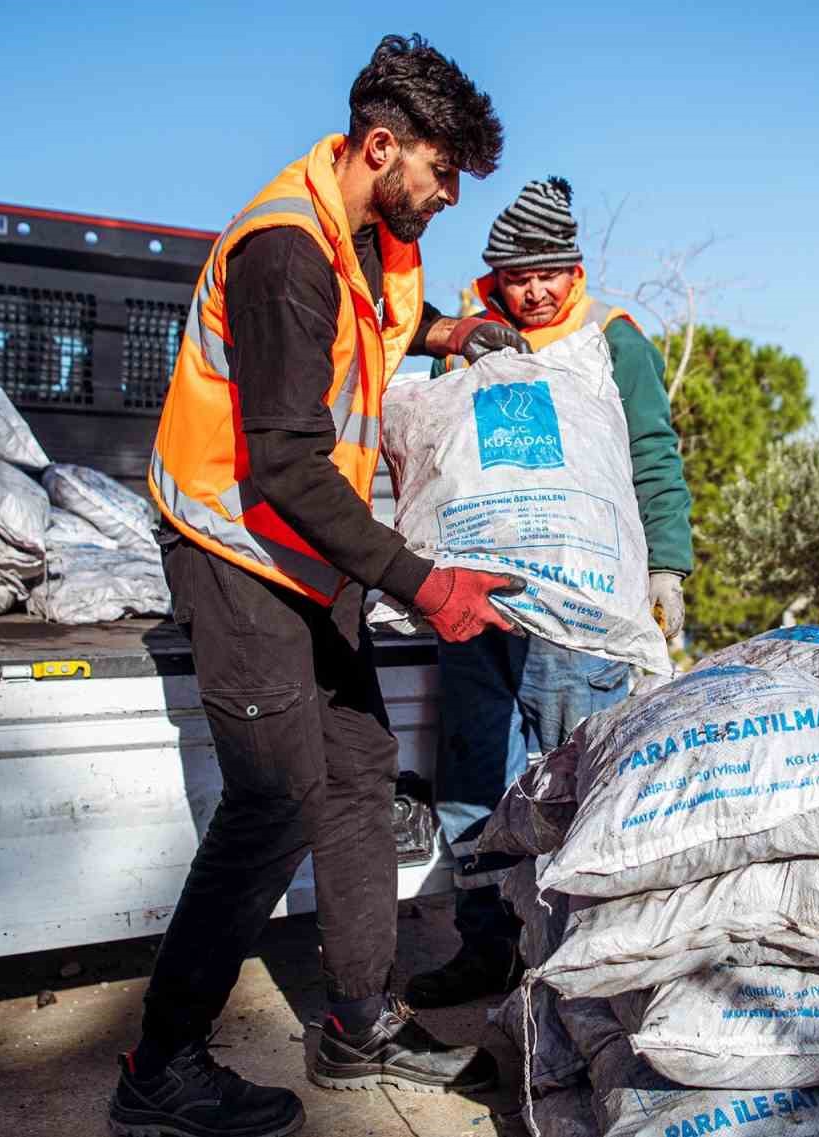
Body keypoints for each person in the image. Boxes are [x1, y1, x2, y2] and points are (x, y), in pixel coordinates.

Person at [109, 35, 532, 1137]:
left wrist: (460, 334)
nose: (444, 200)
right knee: (273, 801)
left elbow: (386, 336)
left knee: (356, 773)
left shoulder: (371, 245)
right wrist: (422, 583)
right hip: (236, 551)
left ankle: (354, 1024)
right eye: (441, 175)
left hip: (309, 556)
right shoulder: (285, 253)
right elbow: (287, 460)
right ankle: (159, 1066)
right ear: (380, 146)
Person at [404, 177, 694, 1009]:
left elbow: (652, 454)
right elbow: (431, 449)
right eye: (516, 276)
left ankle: (575, 965)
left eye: (549, 274)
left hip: (578, 615)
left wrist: (663, 565)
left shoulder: (614, 341)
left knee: (574, 779)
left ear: (576, 271)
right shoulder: (465, 337)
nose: (533, 291)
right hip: (477, 601)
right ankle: (485, 947)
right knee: (474, 781)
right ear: (495, 276)